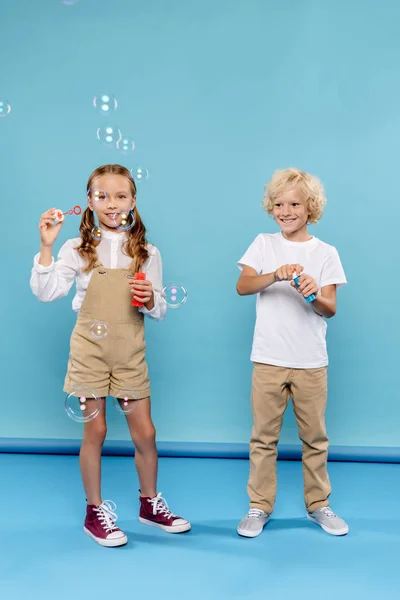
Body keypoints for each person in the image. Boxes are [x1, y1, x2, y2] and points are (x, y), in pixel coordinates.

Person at [30, 164, 191, 547]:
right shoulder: (76, 248)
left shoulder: (147, 251)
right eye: (103, 196)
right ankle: (94, 512)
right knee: (97, 431)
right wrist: (47, 246)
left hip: (130, 351)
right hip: (89, 351)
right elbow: (46, 292)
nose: (112, 203)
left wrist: (154, 300)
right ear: (89, 202)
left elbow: (161, 308)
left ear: (133, 201)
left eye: (121, 196)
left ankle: (150, 504)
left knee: (146, 433)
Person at [236, 167, 348, 538]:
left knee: (315, 437)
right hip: (268, 358)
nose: (286, 211)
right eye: (279, 204)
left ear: (310, 207)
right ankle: (258, 506)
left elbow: (329, 308)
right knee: (263, 438)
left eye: (295, 204)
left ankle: (319, 505)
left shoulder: (326, 253)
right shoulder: (263, 244)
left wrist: (313, 292)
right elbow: (243, 285)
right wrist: (276, 275)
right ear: (271, 207)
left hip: (311, 362)